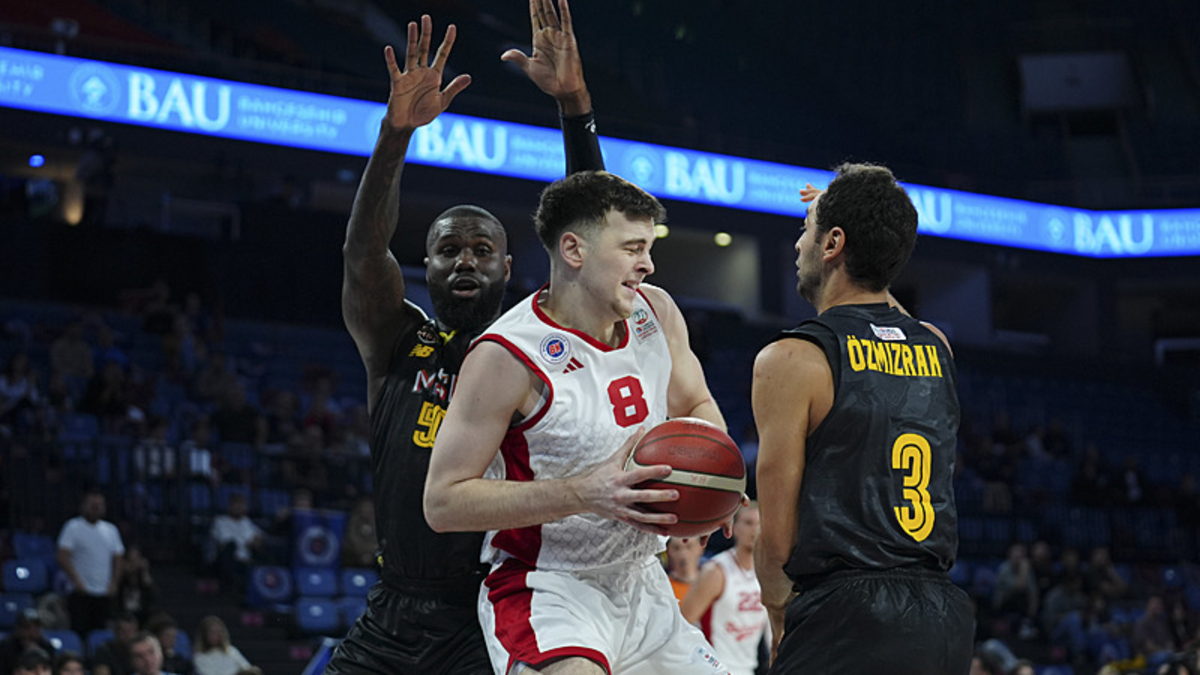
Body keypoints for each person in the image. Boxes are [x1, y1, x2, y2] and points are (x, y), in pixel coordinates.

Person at [324, 0, 607, 672]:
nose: (466, 262)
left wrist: (575, 106)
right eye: (449, 250)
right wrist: (395, 134)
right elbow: (363, 254)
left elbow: (592, 240)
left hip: (488, 609)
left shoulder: (534, 348)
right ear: (426, 267)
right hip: (393, 609)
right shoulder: (396, 338)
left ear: (508, 268)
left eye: (483, 251)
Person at [423, 184, 727, 667]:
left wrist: (719, 482)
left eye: (648, 249)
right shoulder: (506, 355)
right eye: (632, 249)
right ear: (573, 250)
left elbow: (695, 401)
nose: (647, 265)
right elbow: (442, 502)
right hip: (548, 587)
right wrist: (584, 492)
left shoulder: (656, 312)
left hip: (644, 579)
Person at [751, 167, 973, 673]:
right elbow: (888, 316)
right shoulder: (937, 347)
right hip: (941, 620)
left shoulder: (794, 359)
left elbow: (777, 536)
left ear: (833, 243)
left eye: (806, 228)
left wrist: (779, 616)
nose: (798, 244)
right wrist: (868, 231)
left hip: (845, 616)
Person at [681, 504, 769, 675]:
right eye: (748, 523)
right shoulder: (716, 571)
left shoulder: (767, 574)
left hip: (747, 669)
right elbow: (683, 624)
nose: (754, 530)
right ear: (735, 529)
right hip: (713, 669)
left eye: (759, 524)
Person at [56, 488, 125, 636]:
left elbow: (118, 558)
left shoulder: (111, 530)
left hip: (104, 591)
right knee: (79, 631)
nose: (96, 508)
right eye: (92, 505)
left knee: (101, 633)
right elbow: (62, 556)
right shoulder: (73, 527)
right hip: (80, 591)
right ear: (84, 506)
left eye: (99, 505)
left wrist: (114, 583)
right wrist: (76, 580)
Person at [208, 492, 263, 593]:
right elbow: (224, 543)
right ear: (230, 506)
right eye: (236, 504)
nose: (239, 507)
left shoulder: (247, 522)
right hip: (228, 558)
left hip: (246, 558)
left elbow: (258, 535)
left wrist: (257, 540)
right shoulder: (220, 521)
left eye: (242, 505)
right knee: (230, 547)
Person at [0, 609, 55, 675]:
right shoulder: (6, 647)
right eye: (27, 627)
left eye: (36, 628)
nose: (32, 633)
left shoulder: (47, 647)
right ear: (18, 628)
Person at [665, 536, 705, 602]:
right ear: (668, 551)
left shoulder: (712, 584)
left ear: (701, 548)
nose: (683, 554)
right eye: (676, 548)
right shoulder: (663, 588)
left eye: (689, 547)